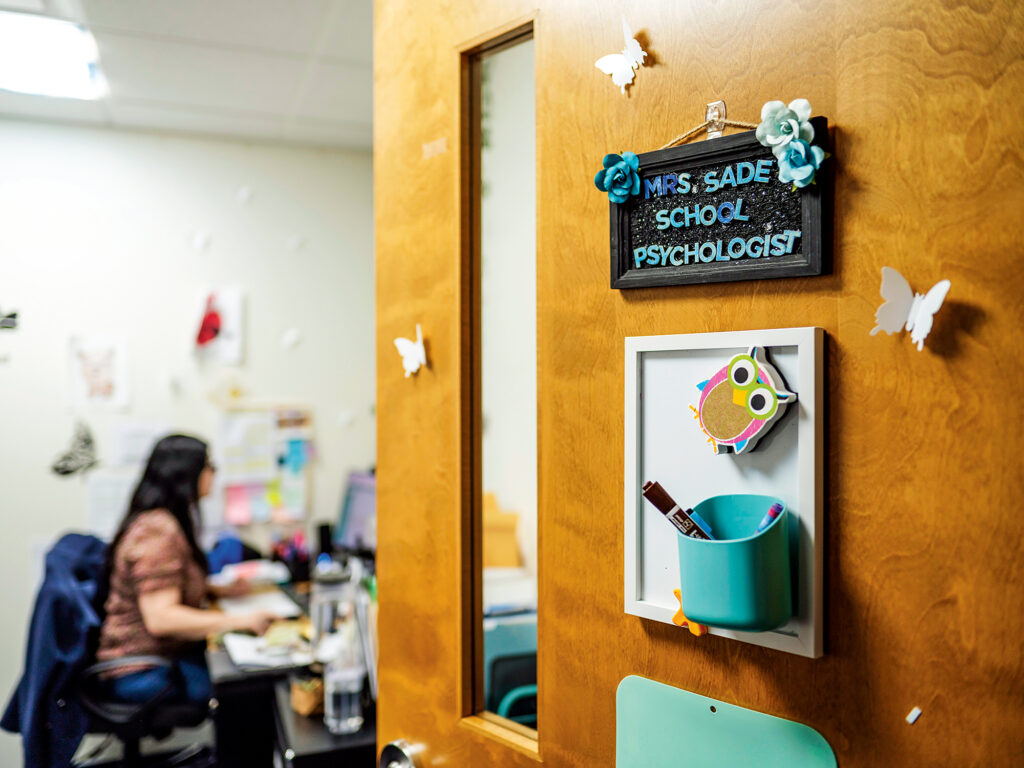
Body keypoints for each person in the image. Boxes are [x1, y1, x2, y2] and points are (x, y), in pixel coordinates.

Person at [96, 434, 279, 705]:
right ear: (186, 473)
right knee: (252, 684)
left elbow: (169, 584)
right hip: (139, 668)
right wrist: (241, 620)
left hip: (158, 658)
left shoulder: (166, 521)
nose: (214, 473)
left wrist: (219, 590)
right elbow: (161, 618)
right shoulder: (157, 531)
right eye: (209, 466)